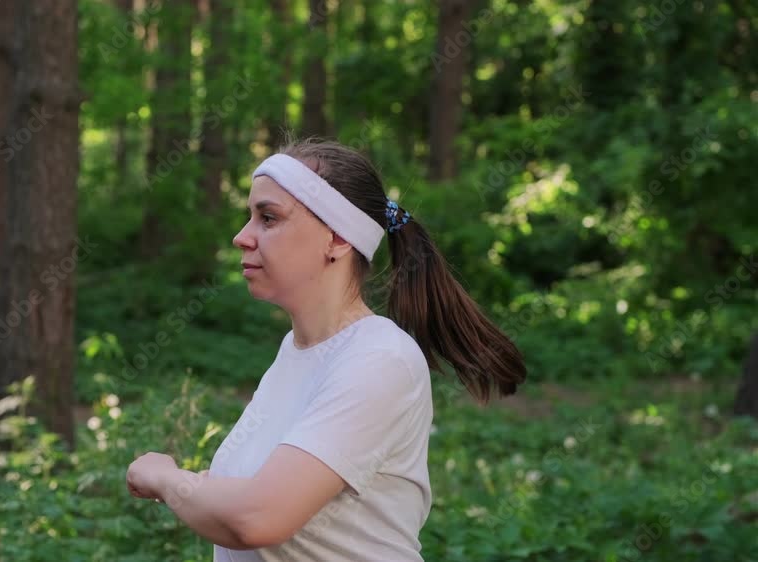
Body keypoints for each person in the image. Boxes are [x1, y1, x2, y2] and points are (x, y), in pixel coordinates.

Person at [126, 138, 527, 561]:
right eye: (250, 217)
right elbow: (252, 501)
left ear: (337, 238)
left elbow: (257, 517)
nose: (242, 237)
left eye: (268, 218)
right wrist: (202, 489)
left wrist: (166, 478)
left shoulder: (380, 359)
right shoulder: (297, 350)